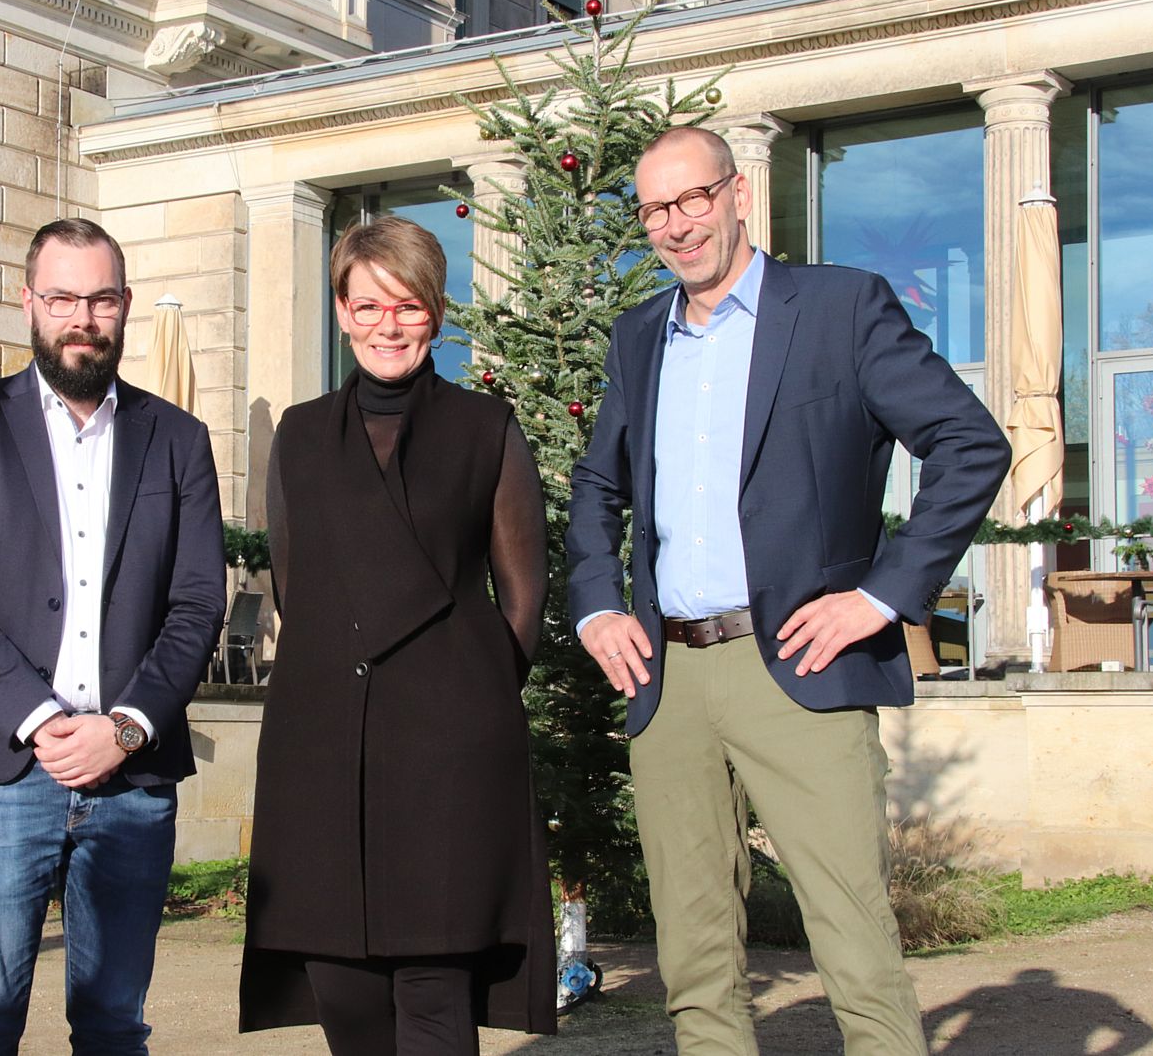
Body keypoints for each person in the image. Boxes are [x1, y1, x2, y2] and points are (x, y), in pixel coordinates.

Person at [566, 127, 1010, 1055]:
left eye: (693, 198)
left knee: (853, 943)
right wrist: (599, 601)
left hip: (802, 667)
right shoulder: (639, 335)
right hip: (668, 679)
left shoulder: (842, 308)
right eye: (655, 208)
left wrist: (883, 595)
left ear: (736, 195)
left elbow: (970, 443)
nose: (678, 225)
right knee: (693, 956)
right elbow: (598, 485)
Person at [0, 217, 227, 1055]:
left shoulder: (180, 441)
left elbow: (197, 603)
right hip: (0, 770)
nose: (82, 317)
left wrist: (123, 728)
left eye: (101, 298)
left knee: (116, 1025)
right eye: (62, 297)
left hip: (133, 775)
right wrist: (44, 721)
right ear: (29, 303)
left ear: (122, 305)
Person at [240, 214, 558, 1054]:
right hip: (325, 740)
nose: (389, 325)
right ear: (342, 312)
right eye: (369, 305)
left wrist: (465, 694)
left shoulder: (486, 427)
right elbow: (295, 585)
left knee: (432, 985)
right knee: (341, 983)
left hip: (447, 747)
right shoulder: (300, 435)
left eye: (409, 306)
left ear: (437, 315)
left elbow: (523, 598)